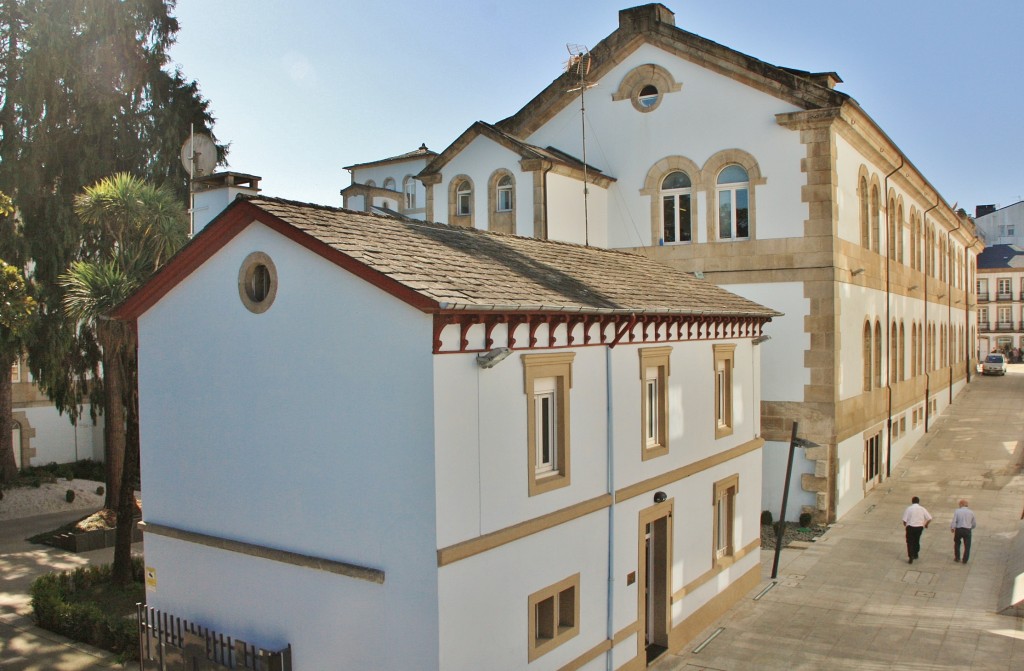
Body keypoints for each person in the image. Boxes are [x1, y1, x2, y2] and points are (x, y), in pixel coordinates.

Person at [902, 496, 932, 564]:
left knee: (909, 542)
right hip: (919, 527)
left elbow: (904, 520)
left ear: (912, 501)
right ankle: (916, 553)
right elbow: (929, 518)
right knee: (916, 540)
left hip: (910, 527)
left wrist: (905, 524)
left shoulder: (909, 509)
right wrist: (926, 524)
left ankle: (911, 556)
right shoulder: (922, 509)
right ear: (918, 502)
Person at [950, 499, 977, 563]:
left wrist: (952, 528)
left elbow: (954, 520)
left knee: (957, 543)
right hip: (967, 530)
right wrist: (971, 528)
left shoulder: (957, 511)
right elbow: (974, 523)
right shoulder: (971, 512)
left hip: (959, 529)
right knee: (967, 546)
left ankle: (957, 557)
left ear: (961, 504)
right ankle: (965, 560)